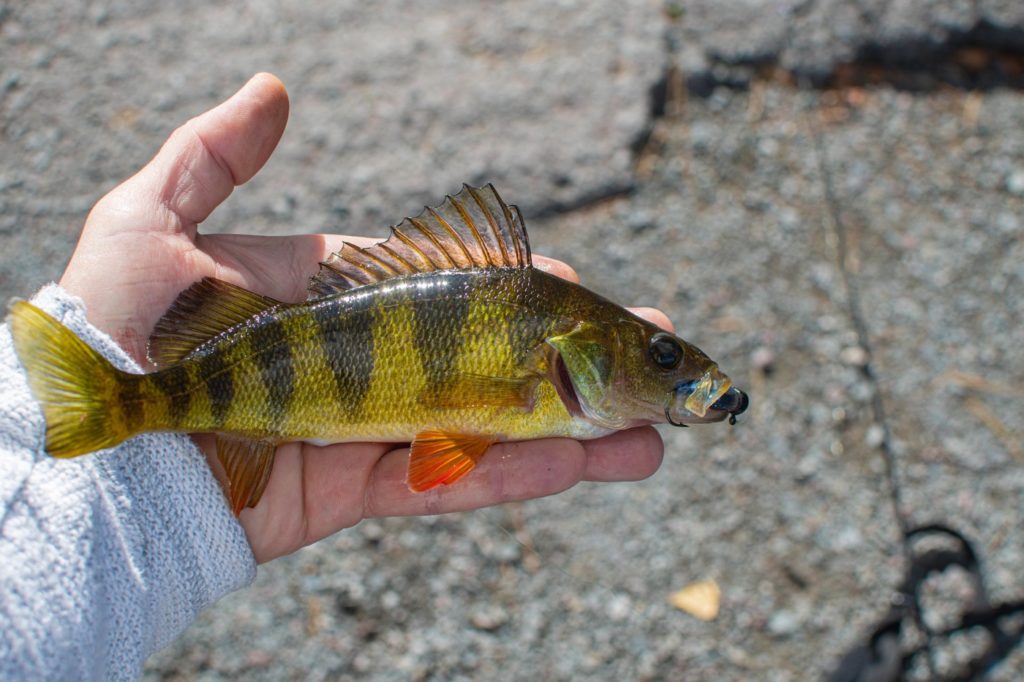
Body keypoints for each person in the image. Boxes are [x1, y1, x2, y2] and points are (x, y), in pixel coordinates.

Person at [0, 73, 668, 679]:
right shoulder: (543, 349)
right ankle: (114, 404)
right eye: (659, 356)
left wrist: (92, 498)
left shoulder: (542, 352)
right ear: (585, 347)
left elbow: (449, 443)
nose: (668, 368)